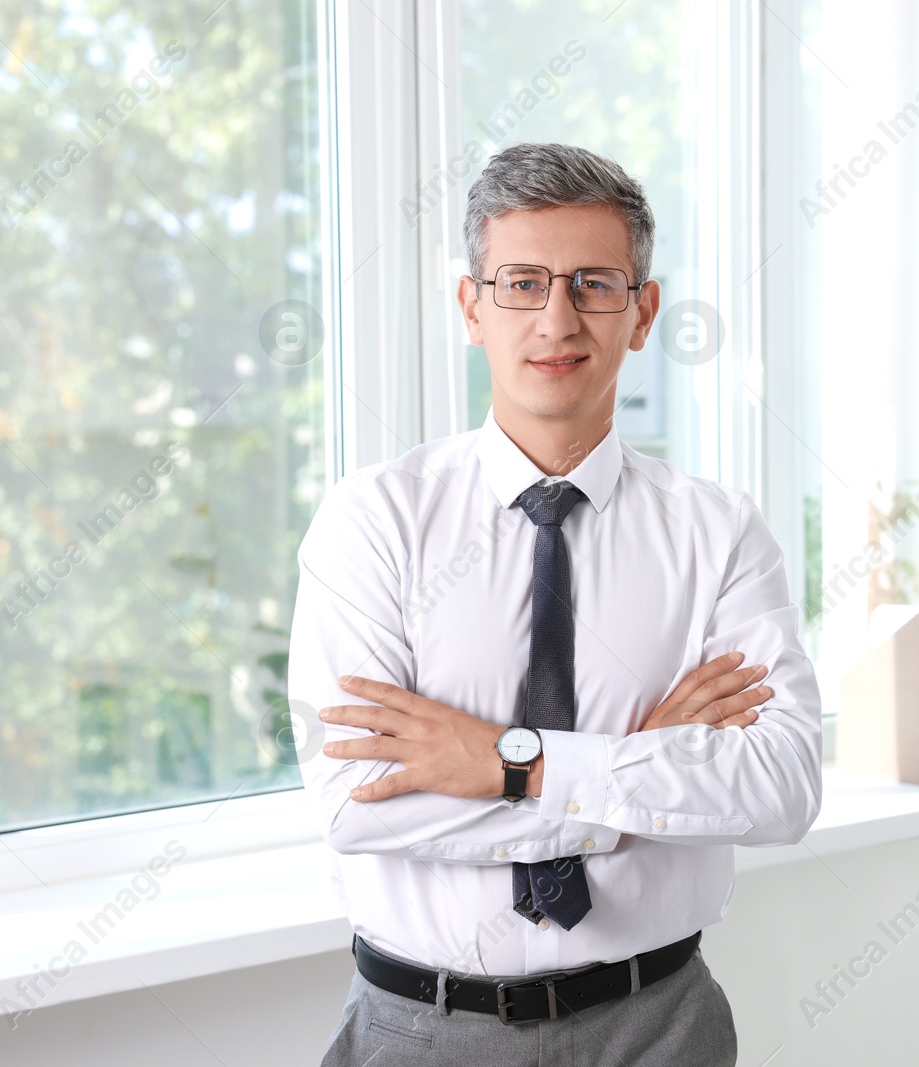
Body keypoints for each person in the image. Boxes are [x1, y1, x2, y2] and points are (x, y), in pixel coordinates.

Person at [289, 141, 823, 1067]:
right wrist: (640, 770)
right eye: (523, 283)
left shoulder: (719, 533)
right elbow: (357, 801)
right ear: (472, 307)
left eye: (594, 284)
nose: (558, 318)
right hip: (423, 1031)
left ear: (643, 312)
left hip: (659, 1025)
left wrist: (505, 761)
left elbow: (779, 787)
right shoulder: (375, 521)